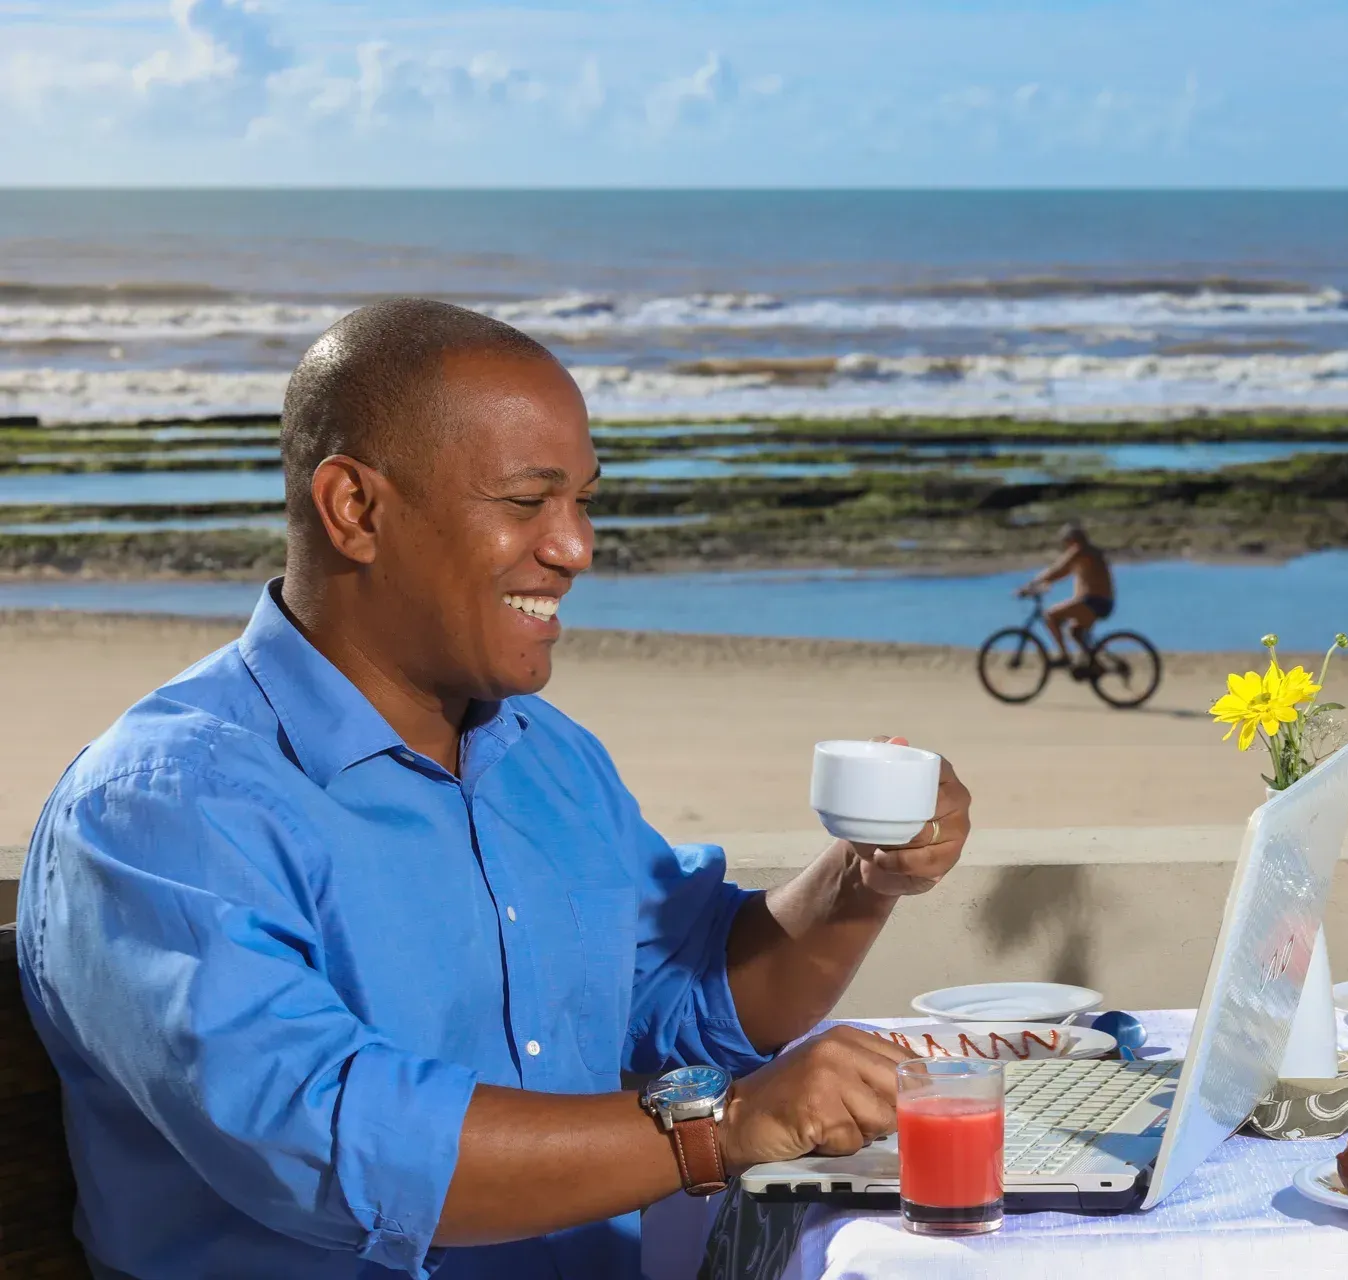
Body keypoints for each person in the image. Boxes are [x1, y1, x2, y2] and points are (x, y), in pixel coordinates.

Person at [14, 299, 974, 1280]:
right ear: (356, 509)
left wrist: (864, 876)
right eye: (527, 501)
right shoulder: (161, 806)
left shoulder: (546, 757)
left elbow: (685, 1001)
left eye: (586, 501)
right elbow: (338, 1144)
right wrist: (718, 1128)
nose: (575, 547)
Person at [1020, 523, 1115, 674]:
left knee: (1051, 615)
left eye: (1065, 541)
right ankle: (1094, 665)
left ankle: (1064, 656)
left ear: (1072, 540)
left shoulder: (1080, 551)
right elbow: (1061, 574)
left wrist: (1031, 585)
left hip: (1093, 602)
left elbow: (1057, 570)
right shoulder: (1089, 552)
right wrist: (1044, 583)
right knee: (1074, 631)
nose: (1065, 545)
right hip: (1101, 603)